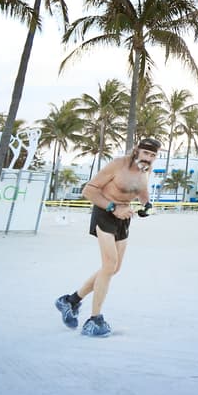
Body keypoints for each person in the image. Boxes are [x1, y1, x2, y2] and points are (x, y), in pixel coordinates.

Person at [55, 137, 159, 337]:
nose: (149, 158)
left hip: (124, 217)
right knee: (109, 265)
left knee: (114, 268)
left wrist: (147, 205)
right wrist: (113, 207)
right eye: (146, 153)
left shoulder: (145, 170)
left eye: (153, 155)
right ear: (137, 150)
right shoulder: (117, 165)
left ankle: (70, 301)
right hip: (105, 213)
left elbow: (142, 189)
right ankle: (94, 320)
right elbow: (89, 190)